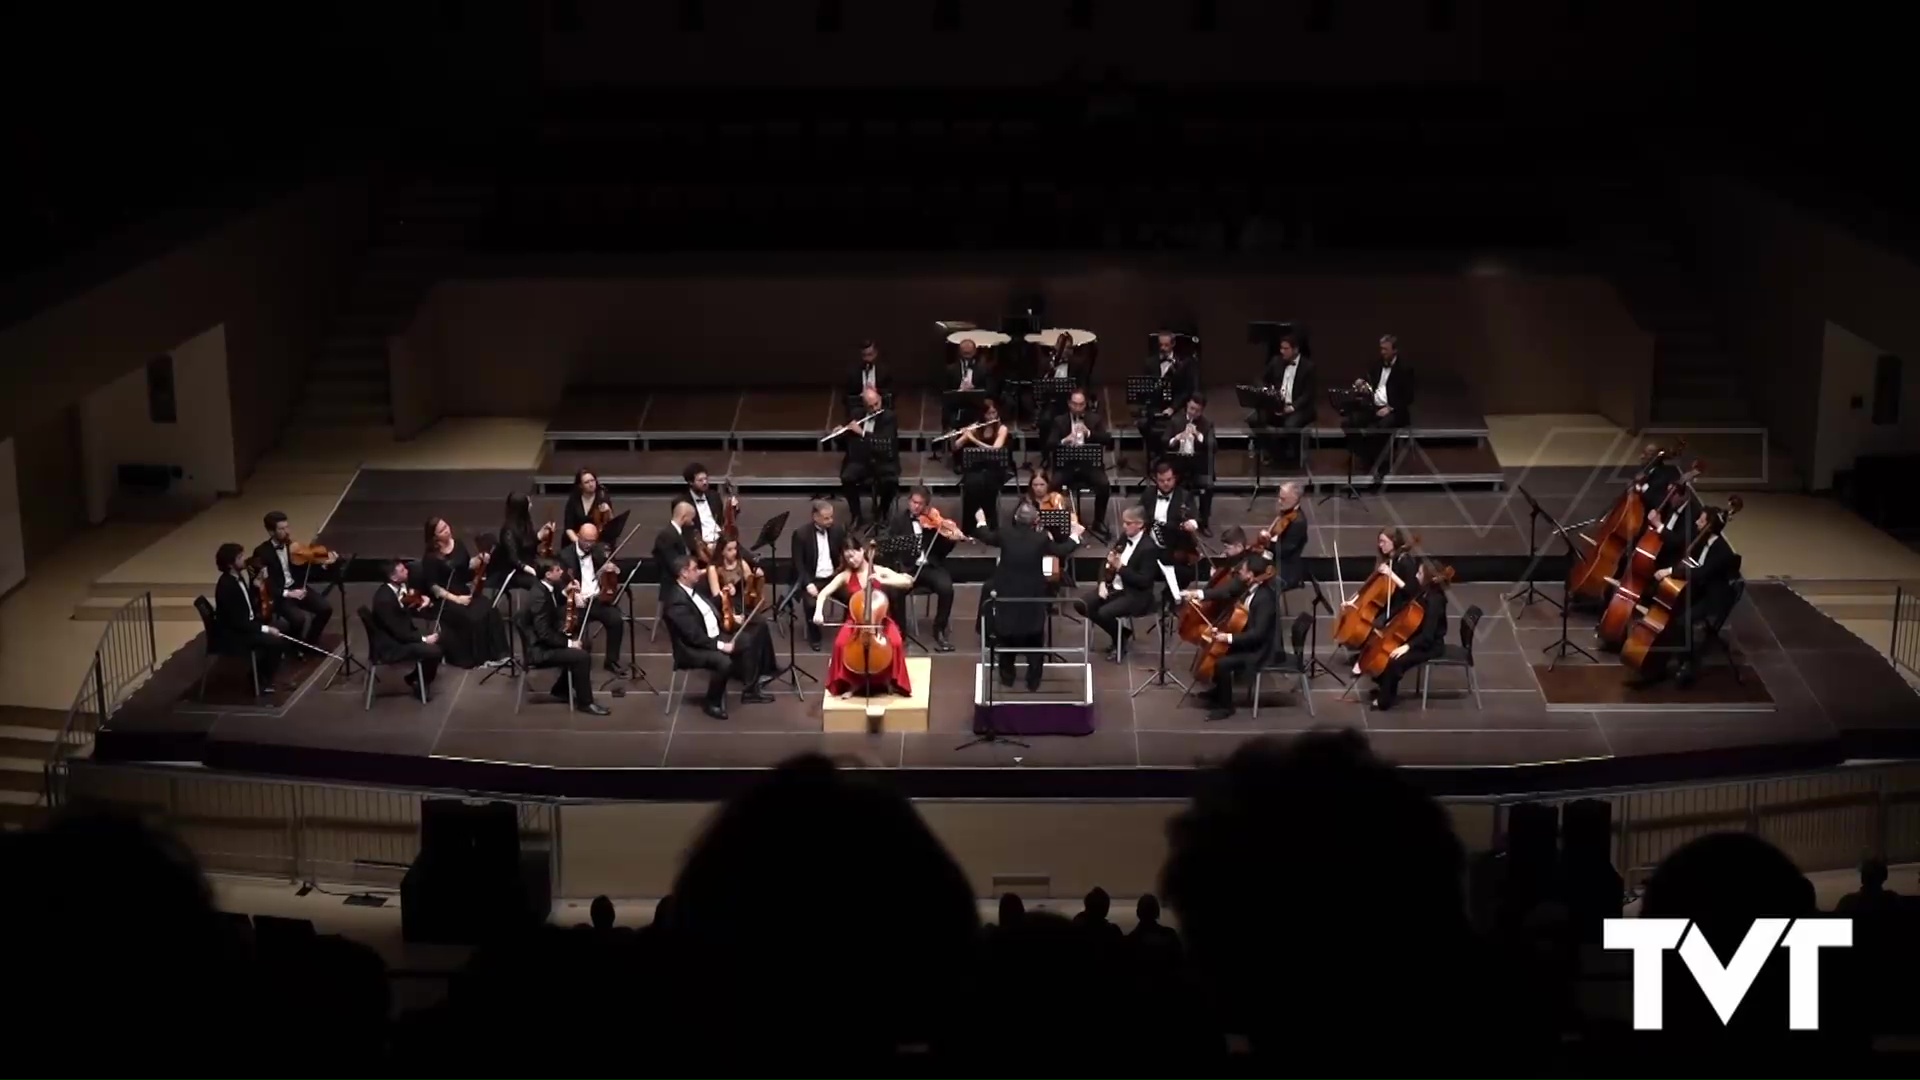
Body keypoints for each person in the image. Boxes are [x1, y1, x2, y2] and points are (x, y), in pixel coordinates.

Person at [974, 502, 1083, 690]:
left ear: (1016, 518)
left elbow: (986, 536)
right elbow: (1060, 550)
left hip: (1007, 594)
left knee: (1005, 636)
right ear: (1036, 521)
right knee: (1034, 636)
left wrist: (981, 521)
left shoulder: (1005, 533)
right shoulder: (1040, 538)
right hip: (1031, 595)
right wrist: (1075, 535)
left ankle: (1007, 678)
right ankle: (1033, 681)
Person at [1635, 503, 1741, 687]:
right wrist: (1672, 569)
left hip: (1714, 597)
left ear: (1710, 526)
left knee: (1683, 620)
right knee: (1671, 613)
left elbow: (1701, 573)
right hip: (1698, 588)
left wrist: (1671, 572)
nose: (1697, 522)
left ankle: (1688, 663)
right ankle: (1657, 665)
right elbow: (1687, 562)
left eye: (1701, 520)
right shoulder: (1700, 539)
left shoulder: (1722, 551)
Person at [664, 554, 773, 719]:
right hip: (692, 648)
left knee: (748, 639)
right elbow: (693, 636)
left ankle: (750, 690)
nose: (699, 572)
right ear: (684, 573)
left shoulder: (692, 590)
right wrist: (722, 645)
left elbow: (705, 609)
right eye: (695, 569)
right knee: (722, 661)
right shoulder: (675, 601)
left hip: (712, 636)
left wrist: (722, 595)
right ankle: (712, 702)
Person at [814, 538, 916, 698]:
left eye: (854, 555)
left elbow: (908, 582)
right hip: (856, 621)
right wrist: (818, 611)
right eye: (847, 558)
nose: (851, 560)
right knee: (840, 644)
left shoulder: (878, 570)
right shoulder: (845, 576)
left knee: (895, 642)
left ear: (862, 551)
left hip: (880, 621)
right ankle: (852, 683)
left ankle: (889, 680)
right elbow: (823, 593)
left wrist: (884, 580)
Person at [418, 517, 508, 668]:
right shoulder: (431, 558)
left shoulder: (458, 544)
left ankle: (500, 653)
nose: (447, 530)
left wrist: (480, 559)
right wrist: (456, 599)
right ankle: (479, 658)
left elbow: (466, 566)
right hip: (446, 598)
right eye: (442, 530)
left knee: (489, 608)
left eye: (446, 526)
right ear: (435, 537)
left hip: (463, 591)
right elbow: (434, 587)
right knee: (472, 617)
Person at [1200, 552, 1281, 720]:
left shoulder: (1265, 599)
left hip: (1260, 651)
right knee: (1219, 651)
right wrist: (1223, 631)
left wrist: (1228, 638)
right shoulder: (1250, 588)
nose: (1239, 573)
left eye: (1243, 571)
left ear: (1251, 575)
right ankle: (1219, 692)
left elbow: (1258, 634)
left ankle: (1226, 707)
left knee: (1222, 663)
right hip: (1249, 642)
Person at [1076, 505, 1160, 660]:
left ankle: (1119, 639)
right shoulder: (1124, 537)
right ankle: (1122, 633)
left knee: (1104, 613)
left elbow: (1144, 581)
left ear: (1140, 524)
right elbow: (1107, 561)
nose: (1124, 526)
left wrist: (1121, 568)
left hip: (1136, 594)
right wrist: (1101, 583)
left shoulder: (1149, 548)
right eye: (1124, 523)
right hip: (1114, 586)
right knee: (1082, 604)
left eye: (1128, 523)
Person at [523, 557, 606, 715]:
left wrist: (566, 591)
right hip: (540, 650)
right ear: (548, 574)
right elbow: (544, 633)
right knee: (581, 657)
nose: (561, 572)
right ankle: (585, 702)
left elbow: (553, 605)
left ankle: (561, 689)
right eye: (557, 570)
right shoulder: (539, 596)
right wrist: (569, 643)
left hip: (546, 639)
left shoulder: (545, 587)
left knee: (585, 643)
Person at [1368, 559, 1449, 710]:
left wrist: (1406, 646)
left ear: (1428, 578)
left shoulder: (1435, 601)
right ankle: (1385, 687)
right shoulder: (1424, 591)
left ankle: (1385, 700)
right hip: (1419, 638)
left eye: (1419, 573)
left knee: (1395, 659)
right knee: (1388, 648)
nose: (1416, 576)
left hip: (1430, 645)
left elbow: (1428, 635)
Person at [888, 486, 961, 652]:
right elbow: (890, 546)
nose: (916, 507)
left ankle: (939, 629)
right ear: (909, 502)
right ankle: (901, 632)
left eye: (921, 504)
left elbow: (942, 552)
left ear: (926, 506)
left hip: (930, 566)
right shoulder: (898, 521)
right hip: (908, 567)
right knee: (895, 592)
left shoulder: (933, 521)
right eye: (914, 502)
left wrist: (949, 538)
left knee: (946, 588)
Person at [251, 511, 336, 647]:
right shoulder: (262, 552)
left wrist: (323, 565)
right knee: (298, 619)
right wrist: (288, 593)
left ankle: (310, 643)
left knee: (325, 608)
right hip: (280, 595)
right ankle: (292, 645)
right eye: (282, 529)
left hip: (297, 587)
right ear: (271, 532)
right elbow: (265, 584)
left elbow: (307, 569)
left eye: (287, 527)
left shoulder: (294, 547)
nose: (287, 532)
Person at [213, 542, 287, 692]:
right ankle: (259, 680)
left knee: (283, 628)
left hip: (246, 624)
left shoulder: (237, 577)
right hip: (235, 634)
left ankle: (262, 672)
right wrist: (265, 628)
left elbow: (246, 603)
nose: (243, 559)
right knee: (276, 642)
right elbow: (238, 622)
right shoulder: (227, 586)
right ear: (230, 564)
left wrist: (255, 586)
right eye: (239, 557)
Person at [705, 535, 780, 683]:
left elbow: (750, 583)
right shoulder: (714, 569)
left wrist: (756, 577)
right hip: (726, 609)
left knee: (762, 624)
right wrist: (732, 614)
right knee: (750, 630)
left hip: (742, 604)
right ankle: (748, 673)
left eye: (735, 548)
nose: (734, 552)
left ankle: (766, 668)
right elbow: (716, 597)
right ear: (722, 551)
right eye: (729, 549)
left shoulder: (741, 563)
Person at [558, 521, 629, 677]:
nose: (589, 545)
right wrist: (573, 593)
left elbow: (616, 569)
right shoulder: (565, 555)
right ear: (578, 537)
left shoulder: (599, 550)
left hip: (597, 598)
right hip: (577, 601)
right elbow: (560, 582)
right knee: (576, 632)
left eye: (592, 541)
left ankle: (611, 661)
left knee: (616, 620)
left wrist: (613, 569)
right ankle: (576, 663)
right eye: (586, 541)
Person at [368, 560, 442, 697]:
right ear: (393, 578)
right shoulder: (384, 600)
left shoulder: (397, 586)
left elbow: (405, 603)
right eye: (402, 571)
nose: (407, 571)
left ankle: (415, 678)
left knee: (440, 641)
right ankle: (418, 681)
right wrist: (424, 639)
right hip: (391, 645)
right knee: (434, 650)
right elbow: (399, 632)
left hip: (400, 633)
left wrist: (421, 599)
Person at [1045, 388, 1112, 539]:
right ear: (1069, 404)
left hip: (1089, 465)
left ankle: (1098, 521)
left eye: (1081, 404)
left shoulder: (1095, 419)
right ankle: (1055, 522)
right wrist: (1064, 440)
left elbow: (1107, 439)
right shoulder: (1059, 421)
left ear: (1085, 404)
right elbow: (1049, 444)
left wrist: (1089, 433)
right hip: (1066, 465)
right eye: (1074, 404)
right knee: (1053, 484)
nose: (1077, 408)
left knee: (1104, 484)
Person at [835, 385, 900, 527]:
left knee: (890, 481)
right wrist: (840, 433)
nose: (875, 408)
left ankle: (883, 511)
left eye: (876, 404)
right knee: (847, 477)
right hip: (861, 460)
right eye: (870, 406)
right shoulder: (856, 414)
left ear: (880, 400)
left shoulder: (889, 417)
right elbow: (844, 441)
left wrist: (862, 433)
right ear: (864, 406)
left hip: (884, 460)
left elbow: (886, 441)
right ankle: (856, 515)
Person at [1359, 334, 1415, 490]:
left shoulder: (1405, 369)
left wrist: (1390, 408)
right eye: (1381, 348)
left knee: (1382, 427)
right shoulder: (1377, 364)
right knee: (1351, 421)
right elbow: (1368, 378)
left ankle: (1382, 468)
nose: (1382, 352)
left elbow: (1409, 397)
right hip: (1375, 407)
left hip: (1395, 410)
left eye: (1385, 349)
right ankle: (1366, 458)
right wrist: (1362, 382)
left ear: (1395, 351)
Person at [791, 500, 848, 652]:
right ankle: (815, 636)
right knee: (810, 604)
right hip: (813, 580)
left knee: (854, 596)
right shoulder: (800, 534)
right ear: (815, 517)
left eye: (831, 517)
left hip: (833, 577)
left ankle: (848, 632)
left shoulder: (838, 530)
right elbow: (798, 564)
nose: (831, 521)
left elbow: (847, 551)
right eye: (826, 518)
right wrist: (808, 583)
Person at [1258, 334, 1316, 466]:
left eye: (1286, 348)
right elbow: (1262, 379)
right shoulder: (1275, 361)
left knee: (1290, 425)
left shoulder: (1309, 367)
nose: (1282, 351)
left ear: (1295, 350)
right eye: (1281, 348)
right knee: (1255, 419)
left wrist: (1292, 407)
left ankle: (1292, 457)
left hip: (1299, 408)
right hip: (1278, 405)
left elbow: (1309, 394)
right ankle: (1277, 454)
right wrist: (1268, 391)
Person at [954, 397, 1010, 531]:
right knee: (971, 485)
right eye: (988, 414)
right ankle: (970, 526)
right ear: (983, 415)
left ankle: (991, 524)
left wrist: (973, 439)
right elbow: (956, 446)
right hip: (976, 468)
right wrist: (964, 436)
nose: (991, 416)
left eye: (994, 413)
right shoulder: (976, 427)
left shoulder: (1002, 429)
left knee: (986, 483)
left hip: (996, 468)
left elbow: (995, 450)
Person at [1164, 392, 1217, 533]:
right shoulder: (1176, 421)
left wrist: (1199, 436)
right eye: (1191, 408)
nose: (1193, 412)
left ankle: (1203, 522)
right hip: (1178, 467)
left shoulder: (1207, 424)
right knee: (1170, 483)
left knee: (1208, 487)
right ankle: (1175, 520)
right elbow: (1164, 441)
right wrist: (1176, 438)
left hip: (1198, 468)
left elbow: (1213, 445)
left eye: (1197, 410)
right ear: (1187, 405)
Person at [1137, 333, 1196, 447]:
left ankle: (1168, 454)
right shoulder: (1150, 363)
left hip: (1175, 406)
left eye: (1166, 345)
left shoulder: (1183, 364)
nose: (1163, 348)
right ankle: (1155, 453)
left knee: (1177, 424)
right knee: (1143, 424)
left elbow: (1186, 391)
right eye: (1161, 345)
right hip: (1155, 405)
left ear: (1173, 344)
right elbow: (1145, 388)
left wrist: (1172, 408)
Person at [493, 492, 553, 593]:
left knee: (554, 574)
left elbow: (526, 547)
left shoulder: (524, 523)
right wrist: (528, 569)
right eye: (528, 503)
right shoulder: (508, 530)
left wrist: (539, 537)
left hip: (528, 565)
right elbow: (513, 558)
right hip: (513, 572)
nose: (531, 505)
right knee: (541, 584)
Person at [942, 337, 997, 432]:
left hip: (976, 403)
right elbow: (945, 389)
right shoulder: (950, 369)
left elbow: (989, 388)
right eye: (965, 353)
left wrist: (987, 398)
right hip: (957, 403)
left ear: (975, 351)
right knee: (949, 411)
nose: (967, 356)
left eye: (969, 353)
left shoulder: (983, 369)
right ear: (960, 352)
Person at [1262, 481, 1310, 589]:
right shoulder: (1286, 512)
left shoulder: (1298, 522)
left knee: (1259, 584)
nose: (1279, 501)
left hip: (1285, 569)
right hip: (1276, 559)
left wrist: (1266, 544)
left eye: (1283, 499)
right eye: (1279, 497)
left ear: (1295, 498)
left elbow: (1284, 550)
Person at [681, 463, 738, 550]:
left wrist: (733, 509)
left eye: (706, 479)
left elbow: (724, 521)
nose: (705, 482)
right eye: (700, 480)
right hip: (702, 545)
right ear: (691, 482)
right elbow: (686, 532)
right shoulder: (682, 502)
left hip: (720, 539)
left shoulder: (714, 496)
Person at [562, 468, 613, 545]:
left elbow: (611, 524)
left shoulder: (602, 497)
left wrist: (609, 511)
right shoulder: (573, 500)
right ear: (580, 485)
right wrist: (579, 544)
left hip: (596, 541)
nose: (591, 484)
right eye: (586, 482)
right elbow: (569, 528)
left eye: (592, 481)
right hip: (576, 540)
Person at [845, 339, 893, 403]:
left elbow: (891, 392)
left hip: (880, 404)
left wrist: (876, 393)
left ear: (876, 353)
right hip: (860, 404)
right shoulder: (853, 373)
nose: (867, 359)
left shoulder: (884, 371)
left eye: (870, 355)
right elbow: (847, 396)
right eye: (864, 355)